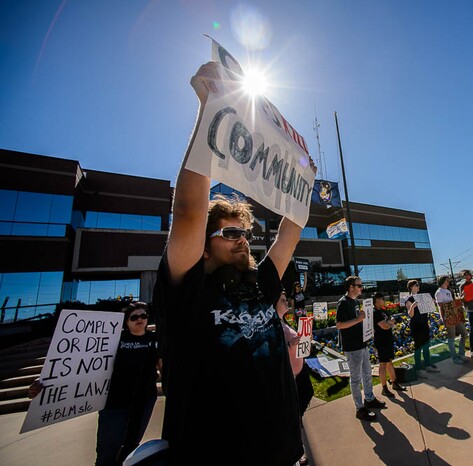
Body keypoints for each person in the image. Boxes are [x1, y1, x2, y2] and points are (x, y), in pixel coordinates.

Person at [151, 62, 311, 464]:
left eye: (244, 233)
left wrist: (303, 176)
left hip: (286, 453)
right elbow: (189, 211)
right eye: (229, 234)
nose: (243, 240)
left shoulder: (261, 282)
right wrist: (211, 108)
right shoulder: (187, 289)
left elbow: (290, 233)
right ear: (203, 247)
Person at [28, 302, 161, 466]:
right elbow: (79, 362)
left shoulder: (155, 339)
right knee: (107, 450)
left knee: (131, 447)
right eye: (134, 317)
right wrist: (44, 381)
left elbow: (162, 366)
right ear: (127, 321)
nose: (139, 320)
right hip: (114, 402)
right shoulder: (111, 339)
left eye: (143, 316)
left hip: (144, 401)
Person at [336, 276, 387, 421]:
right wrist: (358, 320)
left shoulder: (355, 302)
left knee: (367, 374)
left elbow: (358, 322)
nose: (361, 288)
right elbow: (339, 325)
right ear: (351, 287)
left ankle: (369, 399)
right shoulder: (343, 303)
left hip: (362, 344)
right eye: (359, 285)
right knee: (356, 378)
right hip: (352, 347)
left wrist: (368, 329)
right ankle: (360, 408)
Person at [275, 291, 313, 466]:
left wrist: (305, 341)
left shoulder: (284, 322)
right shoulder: (273, 325)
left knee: (305, 396)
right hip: (289, 375)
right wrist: (290, 344)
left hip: (298, 371)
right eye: (283, 300)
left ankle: (296, 427)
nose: (287, 302)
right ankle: (297, 450)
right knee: (291, 414)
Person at [372, 292, 408, 398]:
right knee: (383, 364)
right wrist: (390, 323)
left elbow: (391, 320)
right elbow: (385, 326)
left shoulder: (383, 311)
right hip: (381, 340)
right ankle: (384, 388)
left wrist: (390, 322)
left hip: (387, 339)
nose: (384, 300)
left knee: (389, 362)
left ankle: (394, 382)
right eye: (382, 298)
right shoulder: (375, 313)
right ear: (377, 300)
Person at [406, 280, 439, 378]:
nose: (418, 286)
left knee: (426, 345)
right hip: (416, 325)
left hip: (424, 323)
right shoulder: (409, 299)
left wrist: (432, 302)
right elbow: (410, 315)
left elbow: (430, 308)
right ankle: (418, 368)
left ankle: (427, 365)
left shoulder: (422, 297)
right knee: (418, 347)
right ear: (411, 287)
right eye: (416, 285)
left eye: (418, 285)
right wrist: (413, 306)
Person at [435, 275, 468, 365]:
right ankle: (455, 358)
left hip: (455, 316)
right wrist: (443, 318)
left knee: (464, 333)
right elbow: (441, 307)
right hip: (448, 318)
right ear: (442, 281)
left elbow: (452, 304)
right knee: (452, 338)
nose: (448, 282)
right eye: (447, 280)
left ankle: (461, 354)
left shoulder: (448, 291)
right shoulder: (439, 292)